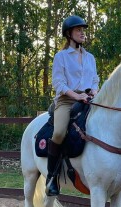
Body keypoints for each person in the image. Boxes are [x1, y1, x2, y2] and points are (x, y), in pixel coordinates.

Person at [45, 15, 99, 196]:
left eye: (83, 30)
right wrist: (77, 96)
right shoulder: (61, 57)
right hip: (66, 101)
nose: (82, 33)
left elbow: (95, 80)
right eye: (78, 30)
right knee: (59, 132)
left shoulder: (90, 57)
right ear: (69, 34)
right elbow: (59, 84)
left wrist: (94, 93)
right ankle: (51, 178)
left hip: (89, 99)